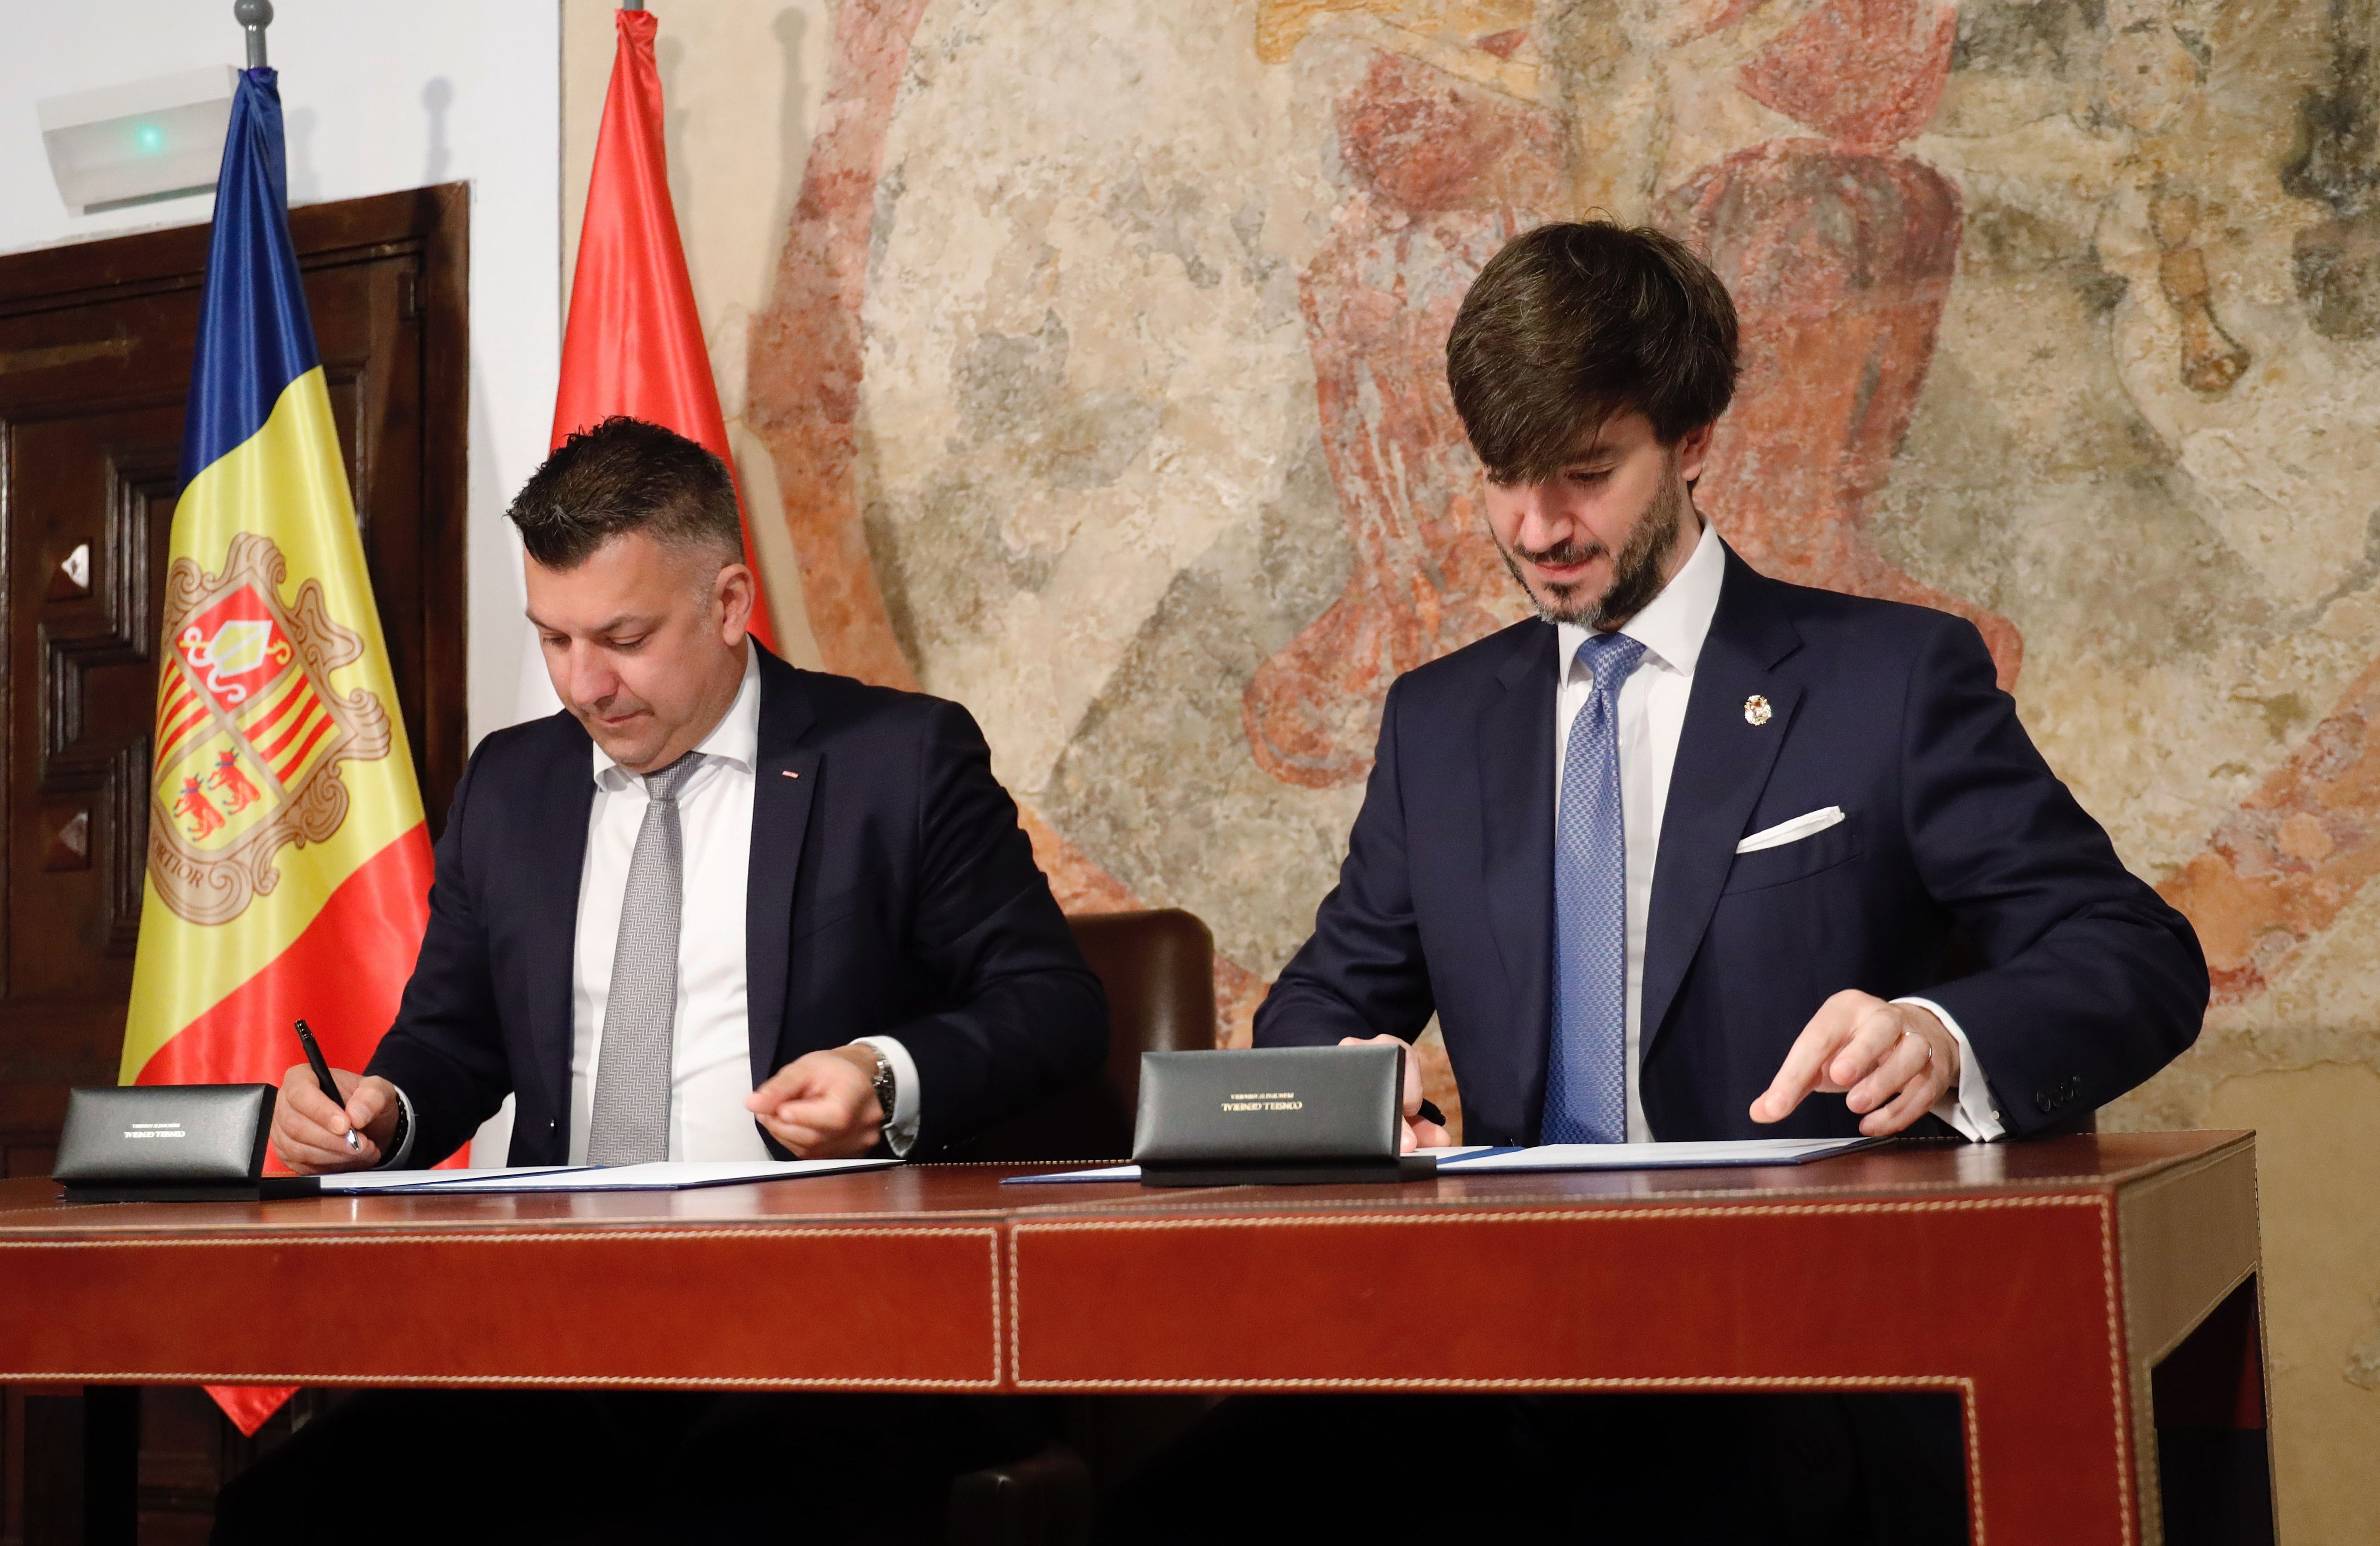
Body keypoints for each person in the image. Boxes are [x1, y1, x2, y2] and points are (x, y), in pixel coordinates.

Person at [1104, 221, 2207, 1543]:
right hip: (1504, 1345)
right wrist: (1358, 1090)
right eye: (1506, 478)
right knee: (1174, 1514)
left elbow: (2134, 954)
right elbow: (1312, 1014)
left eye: (1585, 474)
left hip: (1794, 1352)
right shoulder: (1438, 726)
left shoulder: (1889, 682)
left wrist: (1942, 1034)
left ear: (1691, 442)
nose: (1537, 527)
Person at [221, 416, 1106, 1544]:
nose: (586, 685)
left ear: (731, 604)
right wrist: (382, 1108)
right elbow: (452, 1040)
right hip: (559, 1333)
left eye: (624, 638)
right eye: (553, 641)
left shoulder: (900, 762)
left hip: (828, 1333)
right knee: (290, 1509)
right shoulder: (515, 783)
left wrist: (883, 1075)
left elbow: (1054, 1005)